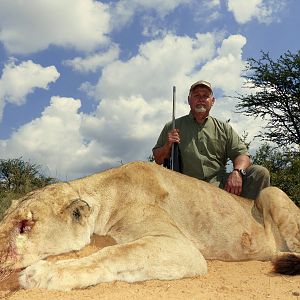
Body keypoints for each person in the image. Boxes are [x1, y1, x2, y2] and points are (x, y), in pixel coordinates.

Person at [152, 80, 270, 200]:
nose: (201, 99)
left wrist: (237, 172)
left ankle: (252, 217)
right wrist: (167, 145)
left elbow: (242, 155)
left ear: (212, 101)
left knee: (260, 173)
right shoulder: (172, 126)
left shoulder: (224, 128)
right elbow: (158, 159)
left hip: (220, 185)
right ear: (189, 100)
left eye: (205, 96)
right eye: (197, 95)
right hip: (186, 186)